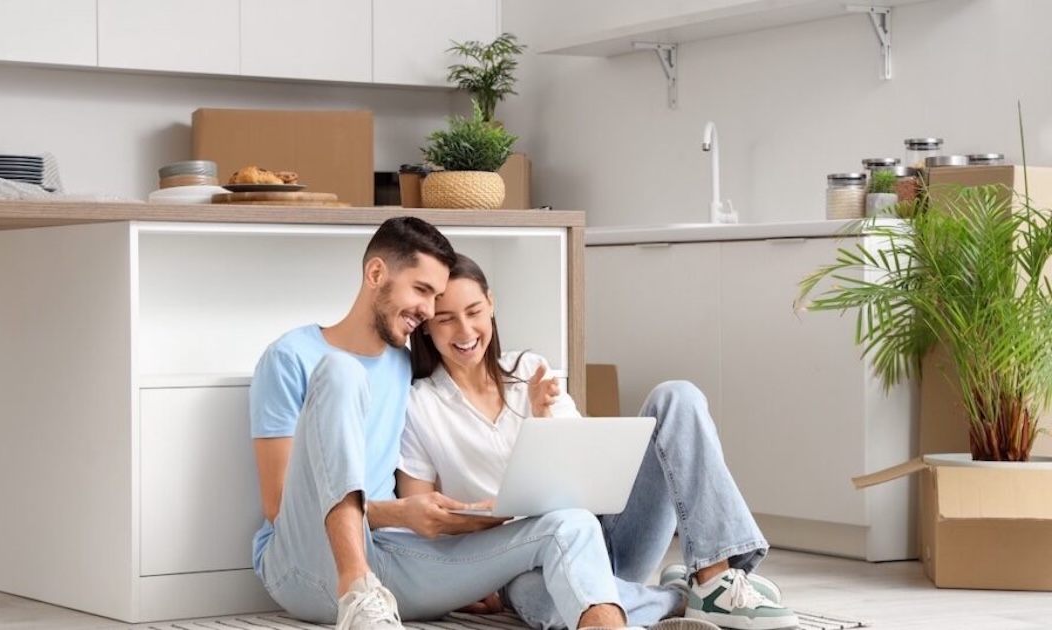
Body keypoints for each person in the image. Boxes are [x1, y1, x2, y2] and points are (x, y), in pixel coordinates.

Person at [248, 216, 720, 630]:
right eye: (423, 292)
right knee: (342, 369)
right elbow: (279, 506)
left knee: (568, 524)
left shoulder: (401, 366)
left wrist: (464, 534)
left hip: (394, 558)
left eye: (437, 298)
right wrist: (398, 513)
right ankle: (357, 594)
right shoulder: (293, 356)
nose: (429, 311)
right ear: (376, 274)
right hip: (306, 563)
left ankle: (631, 615)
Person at [399, 253, 799, 630]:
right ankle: (676, 599)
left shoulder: (530, 370)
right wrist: (474, 563)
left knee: (677, 396)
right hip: (519, 566)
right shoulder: (418, 406)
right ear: (428, 325)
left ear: (491, 303)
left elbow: (585, 479)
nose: (465, 331)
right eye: (447, 319)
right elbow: (424, 527)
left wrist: (544, 419)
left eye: (474, 312)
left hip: (606, 538)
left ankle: (715, 577)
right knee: (545, 602)